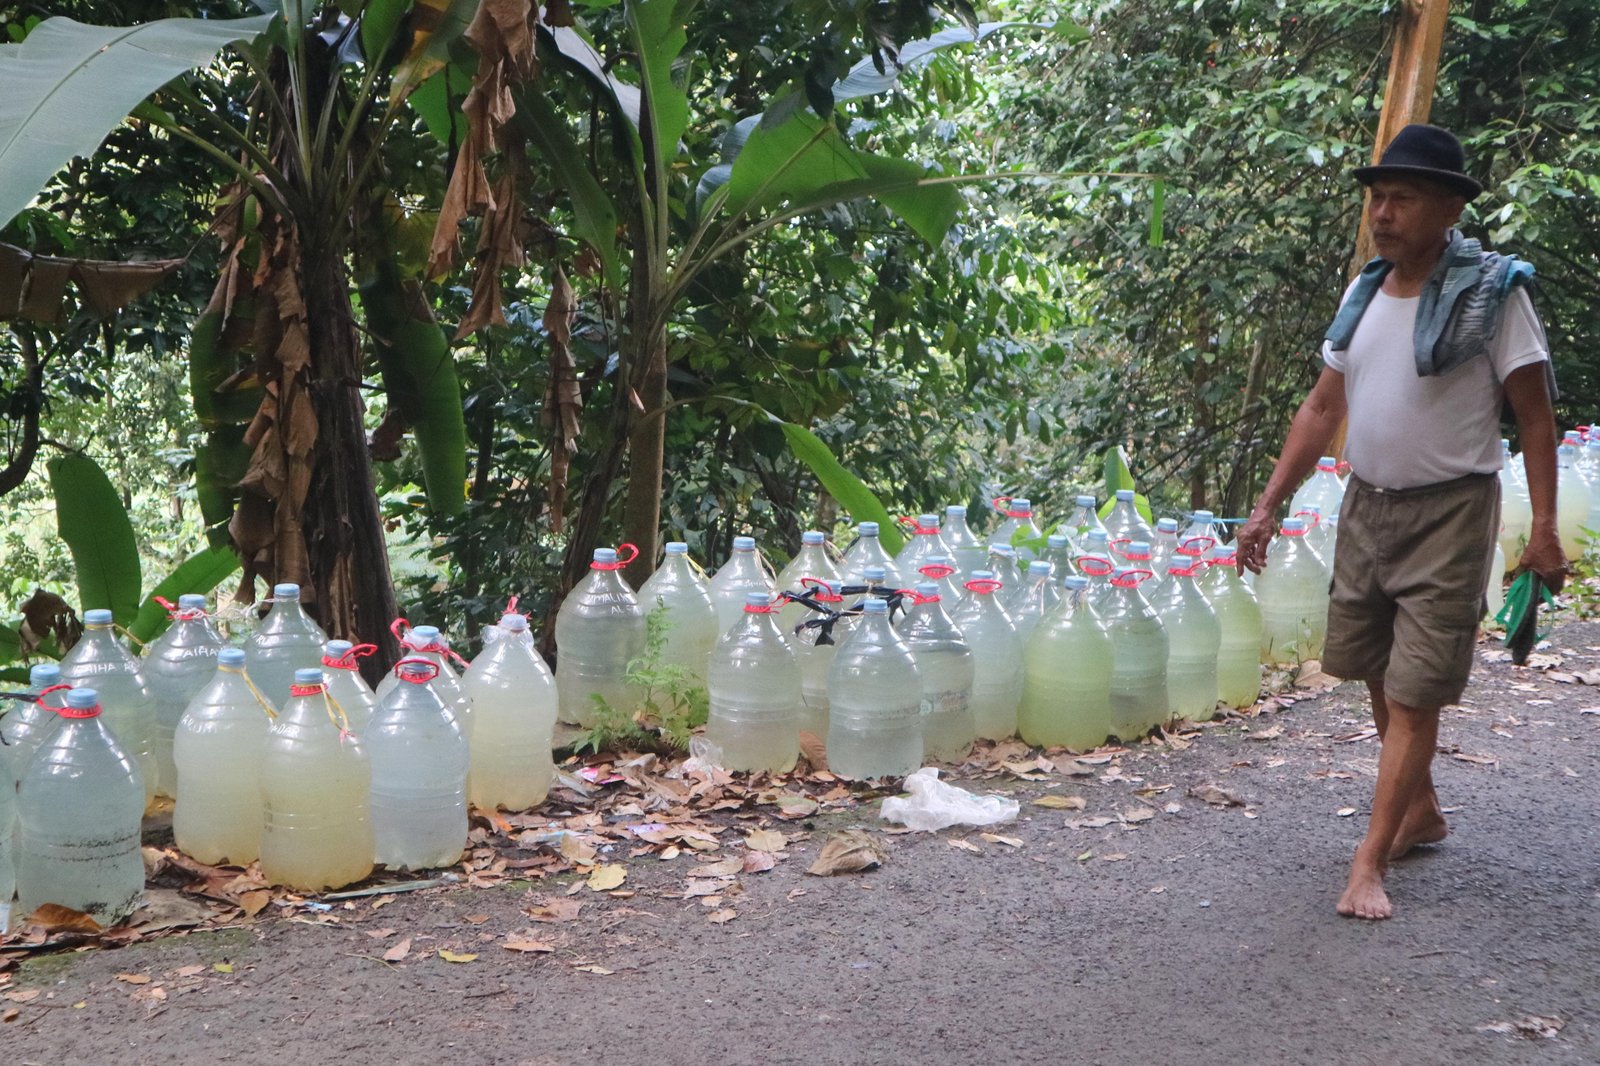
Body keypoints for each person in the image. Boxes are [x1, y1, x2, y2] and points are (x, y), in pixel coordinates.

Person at [1234, 124, 1565, 921]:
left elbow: (1537, 416)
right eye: (1377, 198)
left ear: (1448, 208)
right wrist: (1269, 503)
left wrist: (1545, 529)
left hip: (1451, 512)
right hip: (1367, 506)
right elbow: (1322, 407)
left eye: (1403, 198)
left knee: (1416, 695)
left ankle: (1368, 862)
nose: (1382, 213)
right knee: (1378, 670)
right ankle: (1420, 810)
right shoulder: (1365, 292)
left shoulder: (1495, 294)